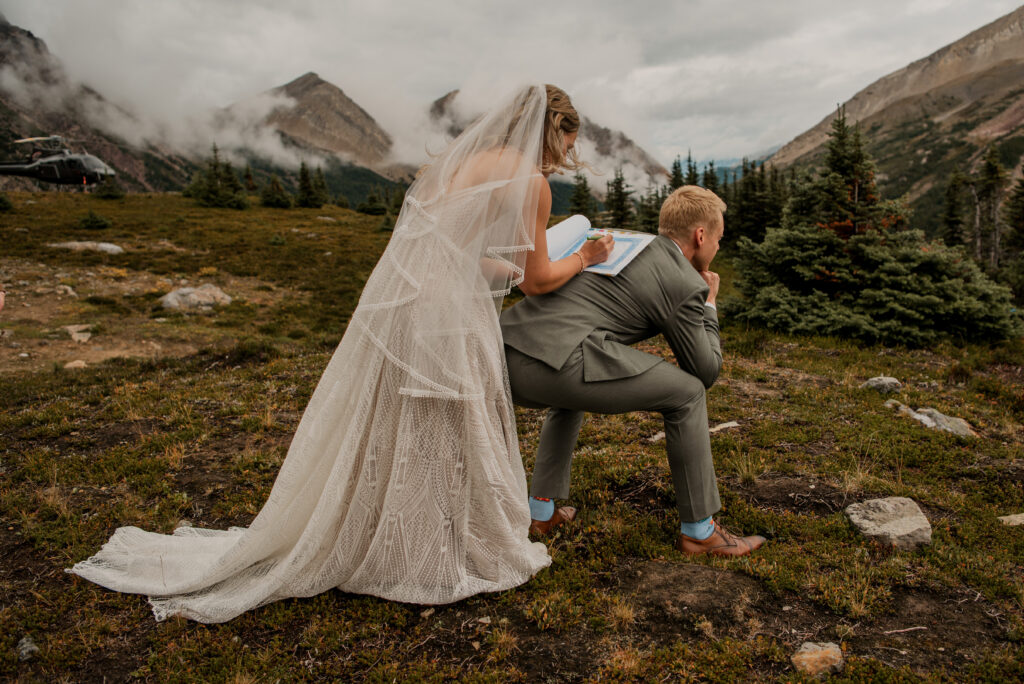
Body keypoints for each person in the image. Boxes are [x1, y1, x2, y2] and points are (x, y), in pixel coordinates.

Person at [68, 84, 613, 623]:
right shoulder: (531, 182)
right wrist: (586, 256)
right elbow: (539, 280)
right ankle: (428, 549)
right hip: (445, 309)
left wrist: (513, 266)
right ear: (553, 129)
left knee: (401, 417)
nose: (568, 154)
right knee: (447, 419)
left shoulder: (466, 159)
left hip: (406, 298)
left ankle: (394, 529)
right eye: (568, 141)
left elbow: (465, 254)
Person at [501, 185, 766, 556]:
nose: (718, 247)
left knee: (572, 393)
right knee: (688, 394)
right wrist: (709, 304)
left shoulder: (621, 242)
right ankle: (699, 531)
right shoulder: (684, 281)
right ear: (700, 235)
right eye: (719, 239)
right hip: (555, 362)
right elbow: (705, 370)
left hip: (503, 355)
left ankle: (541, 513)